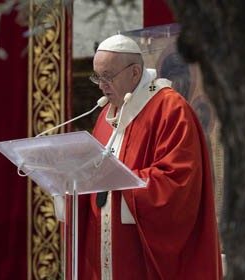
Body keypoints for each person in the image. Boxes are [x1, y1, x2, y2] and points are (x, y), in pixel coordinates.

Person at [80, 34, 222, 279]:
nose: (101, 85)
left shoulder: (170, 109)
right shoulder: (106, 114)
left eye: (108, 77)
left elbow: (177, 182)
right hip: (107, 246)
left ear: (135, 73)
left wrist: (123, 187)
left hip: (140, 253)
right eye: (97, 77)